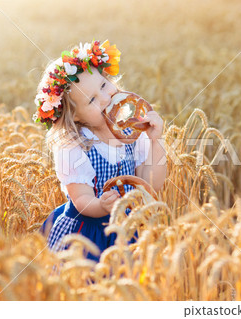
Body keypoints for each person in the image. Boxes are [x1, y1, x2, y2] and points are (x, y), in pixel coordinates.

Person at [33, 40, 167, 262]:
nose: (105, 98)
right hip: (89, 235)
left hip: (129, 229)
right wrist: (100, 205)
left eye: (104, 86)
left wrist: (156, 141)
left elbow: (152, 184)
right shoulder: (74, 145)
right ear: (75, 116)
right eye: (92, 100)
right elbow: (81, 199)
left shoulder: (132, 131)